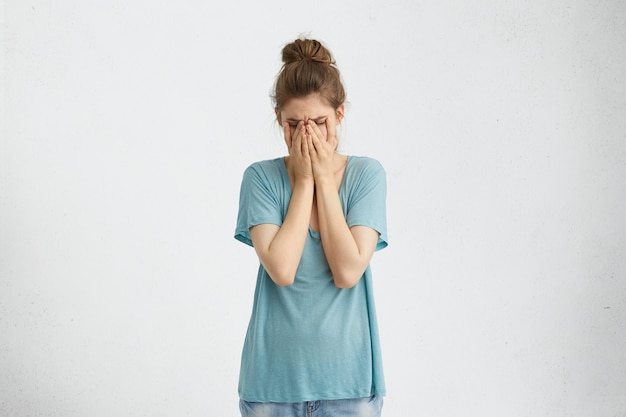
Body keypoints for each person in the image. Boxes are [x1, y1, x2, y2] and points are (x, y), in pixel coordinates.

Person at [234, 37, 388, 417]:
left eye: (318, 122)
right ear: (278, 119)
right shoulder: (261, 178)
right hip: (272, 386)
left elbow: (348, 270)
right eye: (293, 124)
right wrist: (304, 183)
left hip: (350, 385)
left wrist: (322, 177)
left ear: (339, 115)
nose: (306, 134)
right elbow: (282, 270)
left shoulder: (366, 175)